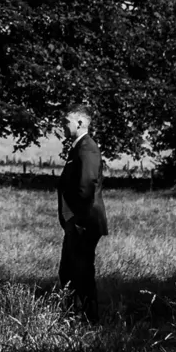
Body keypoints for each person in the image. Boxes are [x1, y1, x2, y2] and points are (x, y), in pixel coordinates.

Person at [57, 103, 108, 323]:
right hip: (76, 221)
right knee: (69, 271)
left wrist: (77, 219)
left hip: (83, 222)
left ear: (80, 122)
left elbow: (87, 184)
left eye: (66, 121)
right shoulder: (78, 147)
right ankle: (75, 316)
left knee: (80, 272)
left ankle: (85, 319)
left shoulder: (87, 147)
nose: (62, 126)